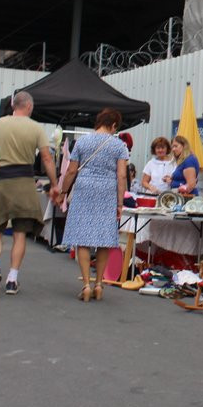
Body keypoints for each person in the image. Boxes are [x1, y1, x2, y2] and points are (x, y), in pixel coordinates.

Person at [0, 91, 60, 296]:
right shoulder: (36, 128)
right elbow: (47, 158)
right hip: (24, 183)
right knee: (20, 233)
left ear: (14, 105)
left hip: (1, 181)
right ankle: (12, 280)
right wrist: (54, 184)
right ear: (29, 107)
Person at [58, 109, 129, 302]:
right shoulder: (119, 145)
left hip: (85, 188)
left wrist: (63, 192)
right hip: (107, 190)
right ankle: (99, 284)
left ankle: (86, 285)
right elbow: (122, 175)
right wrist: (120, 202)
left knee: (83, 237)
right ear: (114, 125)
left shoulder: (82, 142)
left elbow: (71, 171)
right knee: (104, 238)